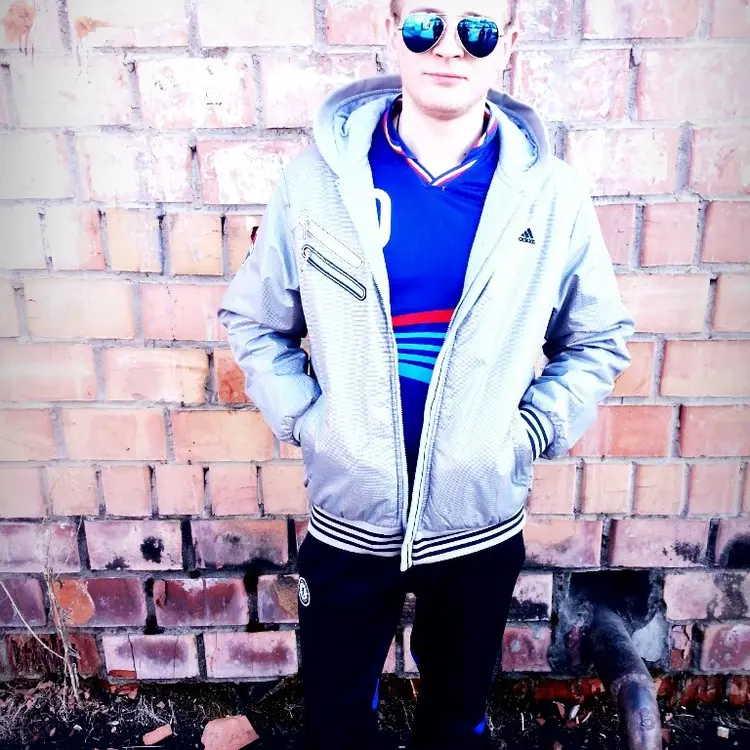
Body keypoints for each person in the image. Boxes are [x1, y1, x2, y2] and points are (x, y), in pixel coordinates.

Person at [219, 1, 635, 747]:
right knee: (336, 726)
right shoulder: (317, 182)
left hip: (477, 526)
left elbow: (597, 339)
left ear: (508, 43)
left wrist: (526, 434)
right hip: (350, 519)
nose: (449, 48)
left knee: (455, 726)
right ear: (392, 31)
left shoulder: (551, 195)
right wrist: (313, 424)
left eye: (476, 29)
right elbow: (255, 321)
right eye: (425, 25)